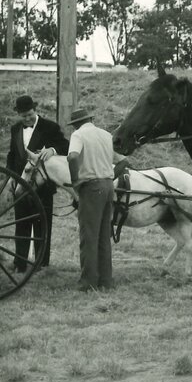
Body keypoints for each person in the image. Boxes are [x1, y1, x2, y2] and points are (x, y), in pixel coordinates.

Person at [5, 95, 69, 271]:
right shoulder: (15, 129)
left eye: (30, 114)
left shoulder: (50, 127)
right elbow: (12, 155)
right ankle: (20, 263)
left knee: (42, 225)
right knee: (21, 224)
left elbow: (66, 146)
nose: (27, 118)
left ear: (35, 110)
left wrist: (53, 150)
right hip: (21, 183)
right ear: (19, 114)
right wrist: (11, 176)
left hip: (43, 186)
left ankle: (41, 263)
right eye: (23, 116)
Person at [66, 108, 118, 291]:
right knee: (104, 235)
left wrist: (75, 181)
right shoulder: (105, 134)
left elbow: (72, 156)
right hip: (108, 185)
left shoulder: (78, 135)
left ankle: (88, 282)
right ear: (91, 119)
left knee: (88, 236)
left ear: (75, 124)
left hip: (91, 187)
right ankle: (106, 280)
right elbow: (121, 160)